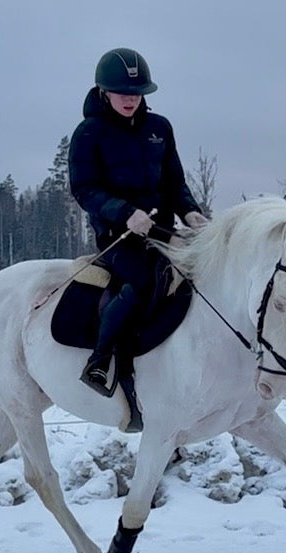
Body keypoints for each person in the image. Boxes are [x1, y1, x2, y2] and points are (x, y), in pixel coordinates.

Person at [68, 47, 207, 401]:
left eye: (136, 93)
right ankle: (101, 361)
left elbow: (174, 182)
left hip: (164, 231)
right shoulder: (89, 133)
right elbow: (85, 189)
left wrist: (190, 211)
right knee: (143, 281)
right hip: (119, 237)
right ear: (104, 91)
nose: (130, 100)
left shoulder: (159, 128)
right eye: (122, 93)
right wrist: (125, 212)